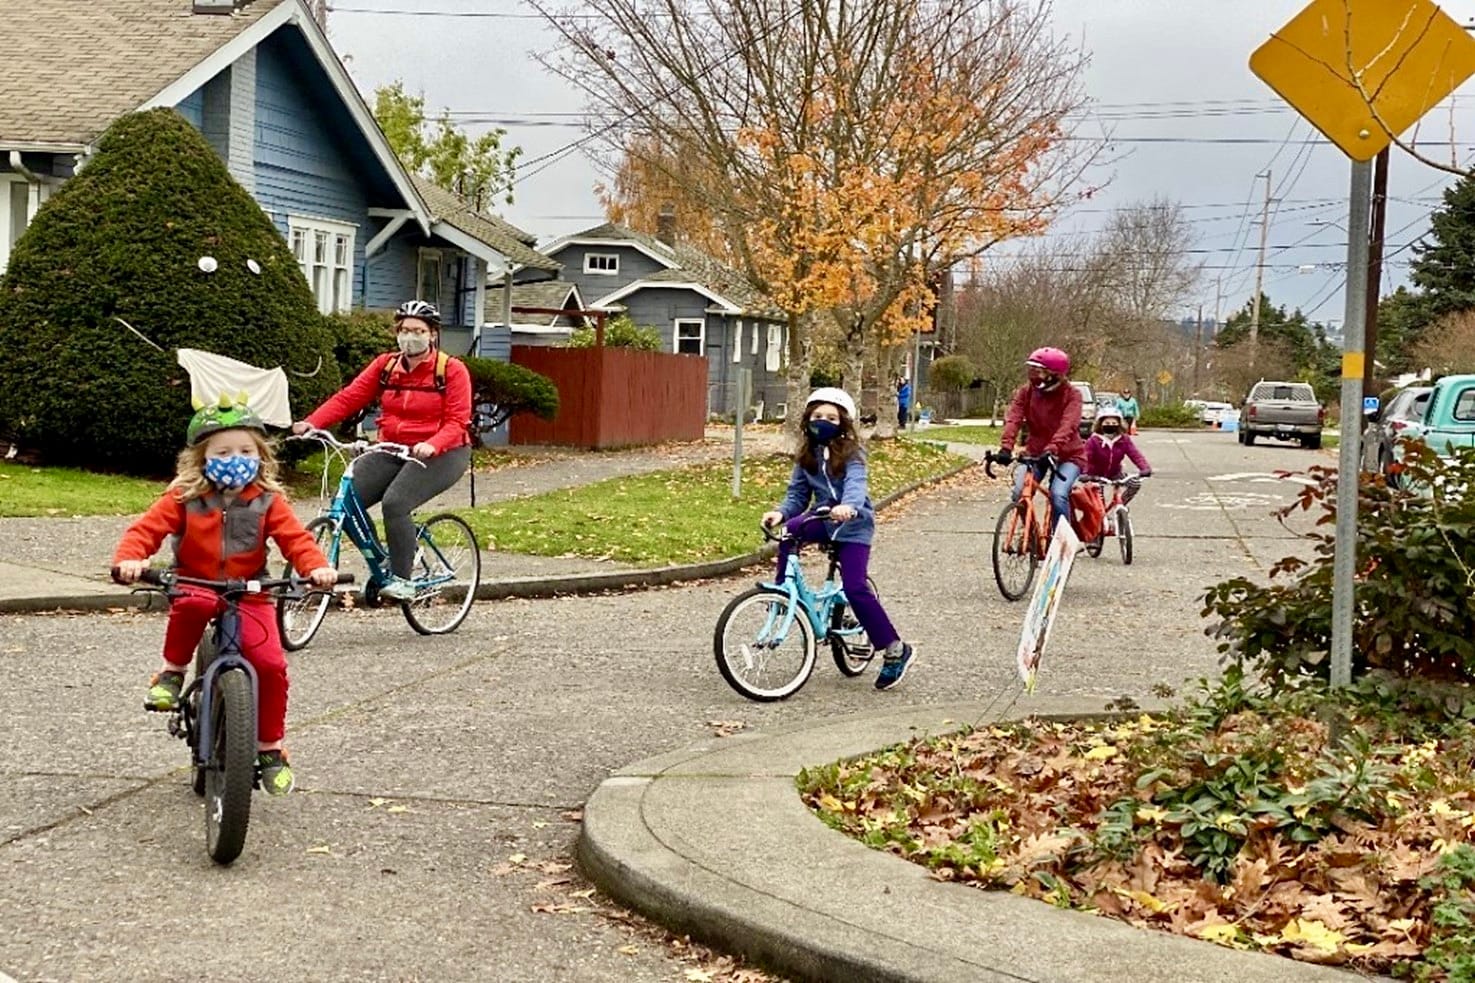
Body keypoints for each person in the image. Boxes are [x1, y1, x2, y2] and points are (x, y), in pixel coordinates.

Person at [112, 396, 337, 796]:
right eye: (224, 451)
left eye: (246, 451)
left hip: (250, 590)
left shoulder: (268, 500)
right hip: (195, 582)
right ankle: (171, 672)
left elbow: (296, 540)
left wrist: (314, 568)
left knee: (269, 664)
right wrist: (131, 559)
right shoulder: (184, 497)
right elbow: (144, 531)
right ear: (202, 458)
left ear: (261, 456)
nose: (236, 458)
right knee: (194, 605)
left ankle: (270, 750)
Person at [293, 300, 472, 601]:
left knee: (396, 502)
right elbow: (350, 397)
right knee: (347, 502)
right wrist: (312, 423)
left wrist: (432, 444)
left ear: (432, 335)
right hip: (392, 446)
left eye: (418, 331)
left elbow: (457, 421)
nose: (409, 337)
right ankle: (384, 562)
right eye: (404, 330)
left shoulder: (451, 370)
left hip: (443, 452)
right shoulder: (386, 365)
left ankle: (403, 577)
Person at [761, 387, 916, 691]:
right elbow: (797, 495)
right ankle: (781, 593)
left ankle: (895, 648)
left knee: (855, 587)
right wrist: (780, 512)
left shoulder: (853, 453)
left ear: (843, 422)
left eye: (831, 417)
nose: (823, 421)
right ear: (807, 419)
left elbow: (856, 485)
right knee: (788, 530)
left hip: (854, 526)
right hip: (823, 518)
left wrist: (850, 507)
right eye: (817, 416)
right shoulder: (806, 454)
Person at [996, 347, 1087, 532]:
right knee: (1019, 492)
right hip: (1036, 453)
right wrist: (1006, 447)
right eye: (1031, 369)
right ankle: (1032, 535)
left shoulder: (1072, 395)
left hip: (1068, 455)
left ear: (1053, 374)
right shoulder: (1026, 392)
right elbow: (1014, 418)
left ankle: (1062, 540)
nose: (1033, 375)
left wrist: (1053, 447)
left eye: (1038, 371)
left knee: (1058, 494)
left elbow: (1068, 424)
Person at [1083, 403, 1152, 505]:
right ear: (1100, 423)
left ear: (1119, 424)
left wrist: (1144, 468)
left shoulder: (1123, 439)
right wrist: (1085, 473)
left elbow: (1135, 454)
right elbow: (1086, 458)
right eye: (1107, 422)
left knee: (1135, 483)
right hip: (1095, 476)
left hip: (1115, 473)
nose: (1111, 425)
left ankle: (1120, 506)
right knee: (1099, 503)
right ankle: (1101, 518)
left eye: (1114, 423)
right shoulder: (1093, 440)